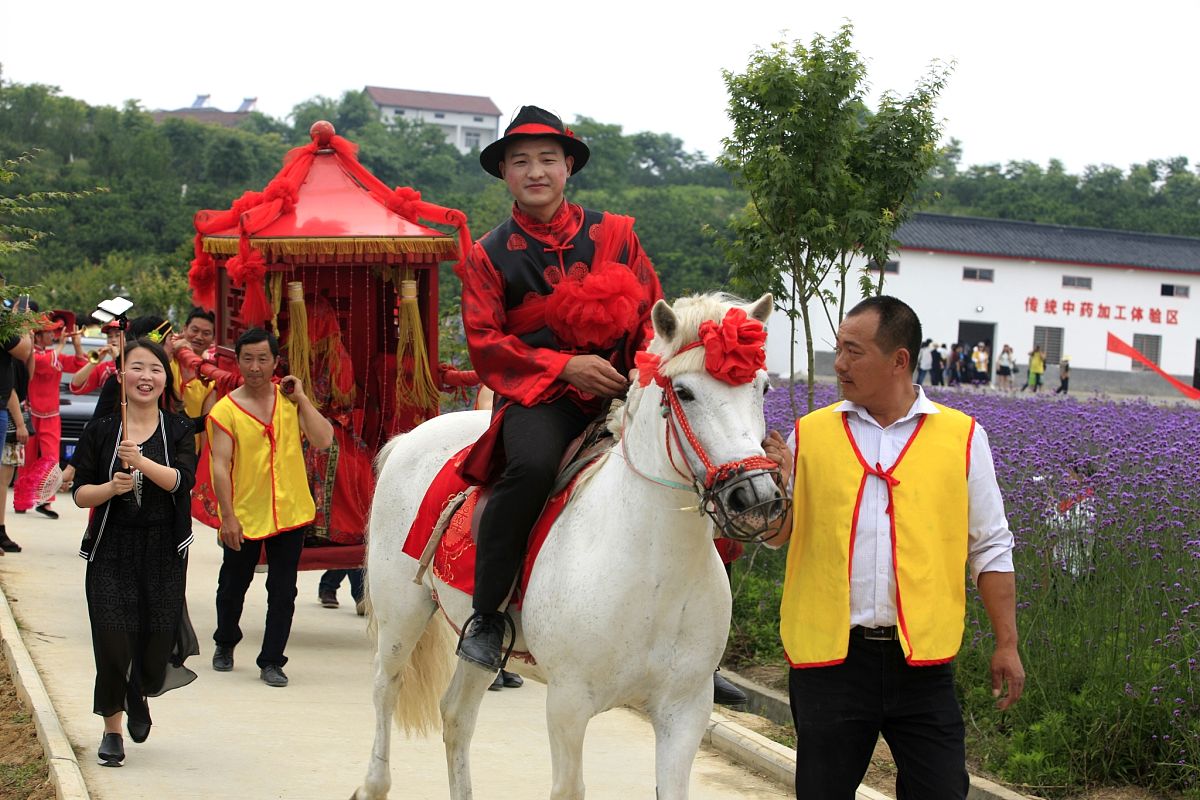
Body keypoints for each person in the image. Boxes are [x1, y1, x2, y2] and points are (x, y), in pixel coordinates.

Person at [765, 295, 1024, 799]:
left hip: (921, 666)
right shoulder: (808, 436)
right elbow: (776, 537)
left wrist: (1007, 643)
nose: (839, 364)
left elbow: (991, 547)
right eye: (838, 349)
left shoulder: (963, 438)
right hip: (830, 664)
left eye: (854, 351)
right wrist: (778, 489)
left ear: (899, 360)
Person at [453, 105, 662, 670]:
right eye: (520, 161)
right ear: (505, 174)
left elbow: (651, 313)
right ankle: (488, 614)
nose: (536, 171)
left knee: (698, 462)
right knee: (530, 469)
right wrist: (564, 367)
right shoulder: (487, 255)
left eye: (548, 159)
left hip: (625, 388)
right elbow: (485, 342)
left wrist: (643, 374)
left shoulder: (616, 234)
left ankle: (696, 641)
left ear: (569, 166)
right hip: (542, 399)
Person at [71, 338, 198, 767]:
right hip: (111, 551)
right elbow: (80, 495)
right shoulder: (102, 429)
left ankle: (136, 691)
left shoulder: (179, 430)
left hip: (162, 551)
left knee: (152, 646)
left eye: (155, 369)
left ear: (166, 379)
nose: (146, 376)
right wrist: (111, 486)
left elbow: (182, 482)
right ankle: (112, 731)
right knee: (111, 643)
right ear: (121, 376)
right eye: (137, 368)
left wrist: (140, 462)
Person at [208, 328, 333, 688]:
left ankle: (272, 660)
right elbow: (220, 466)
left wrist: (304, 400)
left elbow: (324, 440)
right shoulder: (225, 411)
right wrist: (227, 517)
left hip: (290, 510)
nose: (255, 366)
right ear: (238, 361)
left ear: (276, 362)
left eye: (263, 358)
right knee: (232, 585)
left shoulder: (290, 401)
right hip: (245, 515)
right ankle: (225, 641)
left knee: (283, 590)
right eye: (248, 358)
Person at [15, 314, 87, 518]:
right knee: (27, 460)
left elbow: (80, 365)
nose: (53, 336)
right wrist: (62, 344)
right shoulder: (31, 355)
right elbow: (44, 363)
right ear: (37, 337)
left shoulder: (54, 354)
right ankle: (22, 500)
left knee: (51, 459)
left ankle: (46, 501)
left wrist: (76, 343)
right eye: (49, 332)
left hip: (51, 414)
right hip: (31, 413)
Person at [0, 328, 33, 552]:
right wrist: (20, 423)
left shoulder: (18, 357)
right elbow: (10, 390)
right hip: (13, 417)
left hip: (16, 413)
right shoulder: (9, 348)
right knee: (3, 478)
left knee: (7, 474)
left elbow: (28, 374)